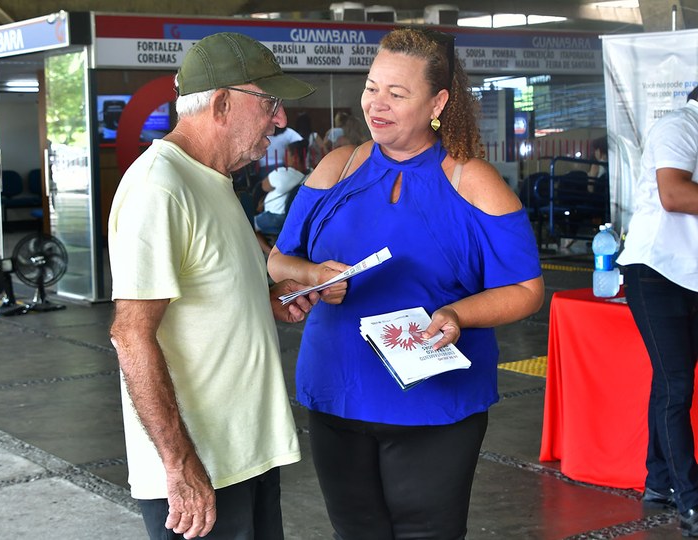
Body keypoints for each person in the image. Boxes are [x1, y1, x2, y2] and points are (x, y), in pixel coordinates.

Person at [267, 27, 544, 540]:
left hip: (433, 403)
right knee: (356, 532)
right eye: (372, 88)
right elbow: (279, 260)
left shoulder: (473, 179)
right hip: (338, 392)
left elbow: (526, 288)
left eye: (398, 93)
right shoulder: (338, 166)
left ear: (438, 101)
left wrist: (461, 314)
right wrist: (310, 278)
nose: (378, 104)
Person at [107, 32, 319, 540]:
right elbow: (131, 335)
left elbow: (210, 293)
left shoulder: (215, 182)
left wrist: (267, 302)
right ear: (222, 102)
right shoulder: (160, 187)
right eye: (270, 102)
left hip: (246, 457)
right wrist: (179, 468)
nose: (281, 119)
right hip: (201, 474)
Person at [616, 86, 698, 537]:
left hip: (689, 273)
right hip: (656, 272)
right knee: (676, 385)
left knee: (672, 382)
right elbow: (675, 194)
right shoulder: (680, 126)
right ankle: (691, 501)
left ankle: (660, 481)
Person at [254, 139, 307, 255]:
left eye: (287, 155)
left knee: (249, 224)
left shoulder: (283, 173)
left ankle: (272, 254)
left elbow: (263, 186)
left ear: (295, 158)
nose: (284, 158)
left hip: (275, 217)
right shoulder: (310, 175)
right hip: (296, 219)